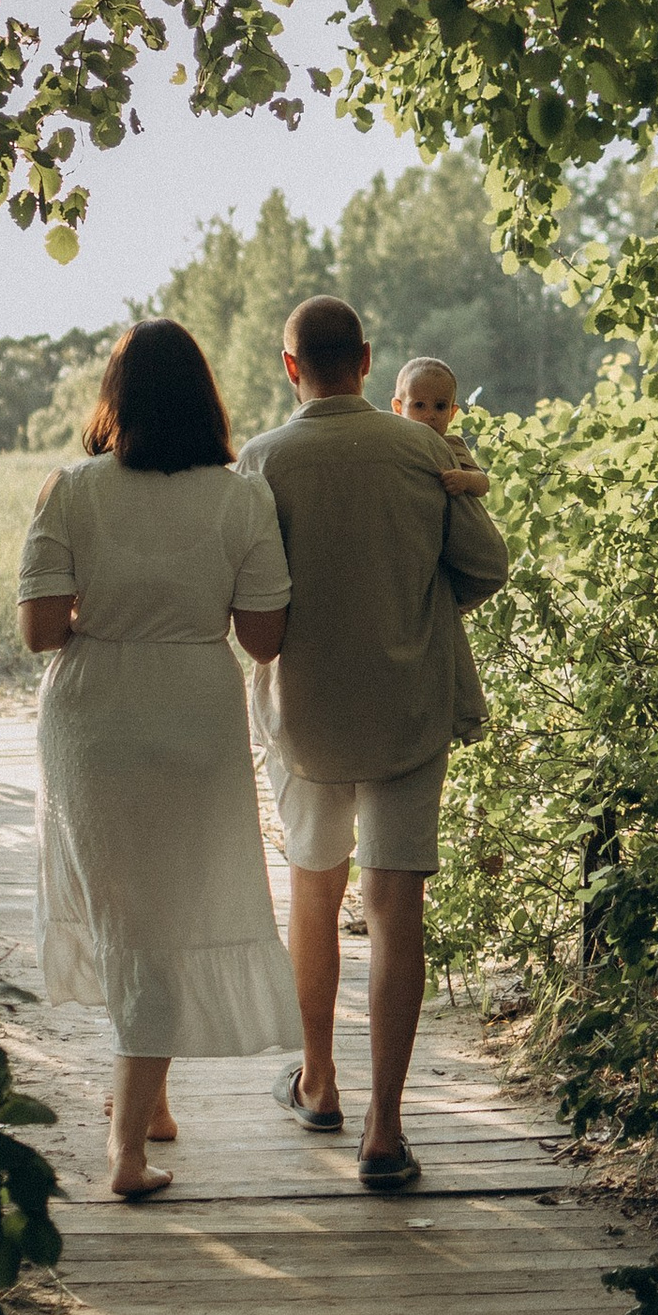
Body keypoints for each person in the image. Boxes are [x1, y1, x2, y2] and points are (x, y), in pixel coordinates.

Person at [15, 318, 300, 1200]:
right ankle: (137, 1137)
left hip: (92, 711)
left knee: (124, 907)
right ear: (204, 400)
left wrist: (106, 621)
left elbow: (37, 632)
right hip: (193, 707)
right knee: (167, 905)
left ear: (116, 398)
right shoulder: (242, 496)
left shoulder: (70, 489)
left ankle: (138, 1127)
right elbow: (264, 638)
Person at [238, 297, 511, 1191]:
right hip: (407, 708)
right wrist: (417, 614)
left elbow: (250, 606)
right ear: (365, 359)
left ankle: (318, 1084)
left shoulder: (263, 462)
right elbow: (485, 566)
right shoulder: (428, 451)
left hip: (305, 717)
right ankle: (385, 1135)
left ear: (290, 369)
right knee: (398, 912)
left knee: (314, 894)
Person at [389, 355, 491, 497]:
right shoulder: (394, 443)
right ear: (398, 408)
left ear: (452, 413)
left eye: (440, 406)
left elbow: (483, 483)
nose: (430, 415)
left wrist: (466, 480)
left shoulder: (452, 445)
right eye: (419, 405)